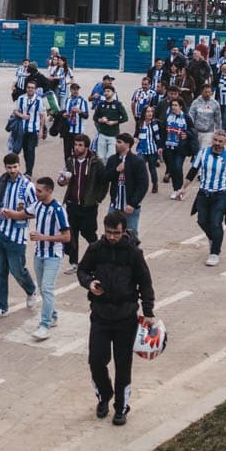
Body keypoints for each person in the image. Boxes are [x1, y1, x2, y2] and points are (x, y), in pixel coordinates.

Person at [77, 210, 155, 426]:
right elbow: (82, 270)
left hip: (126, 318)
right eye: (109, 232)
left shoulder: (133, 254)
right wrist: (89, 283)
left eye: (116, 233)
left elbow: (146, 284)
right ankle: (104, 395)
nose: (112, 237)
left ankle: (121, 407)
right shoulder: (95, 249)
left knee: (123, 365)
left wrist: (148, 312)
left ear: (124, 231)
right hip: (100, 316)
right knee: (96, 361)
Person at [177, 130, 226, 267]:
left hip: (221, 193)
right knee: (202, 220)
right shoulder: (203, 153)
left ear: (225, 143)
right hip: (204, 192)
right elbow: (193, 171)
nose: (217, 144)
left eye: (220, 141)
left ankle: (214, 253)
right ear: (212, 140)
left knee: (215, 222)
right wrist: (183, 188)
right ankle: (213, 238)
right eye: (215, 140)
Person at [0, 152, 37, 320]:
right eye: (9, 168)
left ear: (19, 166)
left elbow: (34, 211)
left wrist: (16, 214)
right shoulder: (2, 183)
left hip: (17, 236)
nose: (12, 170)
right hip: (0, 232)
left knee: (17, 270)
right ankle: (1, 306)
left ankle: (30, 289)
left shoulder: (27, 187)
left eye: (15, 167)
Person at [29, 176, 70, 340]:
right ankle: (52, 315)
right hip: (39, 254)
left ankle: (44, 324)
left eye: (39, 191)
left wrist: (44, 237)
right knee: (42, 287)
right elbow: (24, 213)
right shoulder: (38, 205)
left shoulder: (58, 210)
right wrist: (8, 213)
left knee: (46, 288)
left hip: (53, 255)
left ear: (49, 191)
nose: (36, 193)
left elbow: (67, 237)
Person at [60, 134, 107, 272]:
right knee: (72, 234)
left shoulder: (95, 162)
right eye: (75, 144)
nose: (77, 147)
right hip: (72, 203)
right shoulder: (70, 161)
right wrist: (62, 181)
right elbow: (63, 179)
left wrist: (98, 198)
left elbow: (103, 182)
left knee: (89, 233)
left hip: (88, 205)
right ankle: (74, 263)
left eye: (80, 145)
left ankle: (99, 256)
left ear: (86, 147)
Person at [101, 134, 150, 237]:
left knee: (131, 235)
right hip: (115, 206)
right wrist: (116, 170)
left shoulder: (137, 161)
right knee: (111, 233)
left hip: (130, 207)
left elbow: (143, 185)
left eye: (119, 142)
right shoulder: (112, 160)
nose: (116, 144)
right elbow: (104, 178)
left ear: (127, 145)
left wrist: (133, 203)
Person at [11, 80, 46, 176]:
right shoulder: (21, 98)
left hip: (33, 129)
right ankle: (16, 169)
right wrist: (22, 115)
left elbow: (42, 116)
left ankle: (29, 172)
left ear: (35, 89)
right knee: (18, 150)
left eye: (32, 88)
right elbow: (15, 111)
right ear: (26, 88)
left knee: (30, 151)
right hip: (21, 129)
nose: (30, 89)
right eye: (29, 87)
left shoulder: (39, 100)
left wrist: (41, 130)